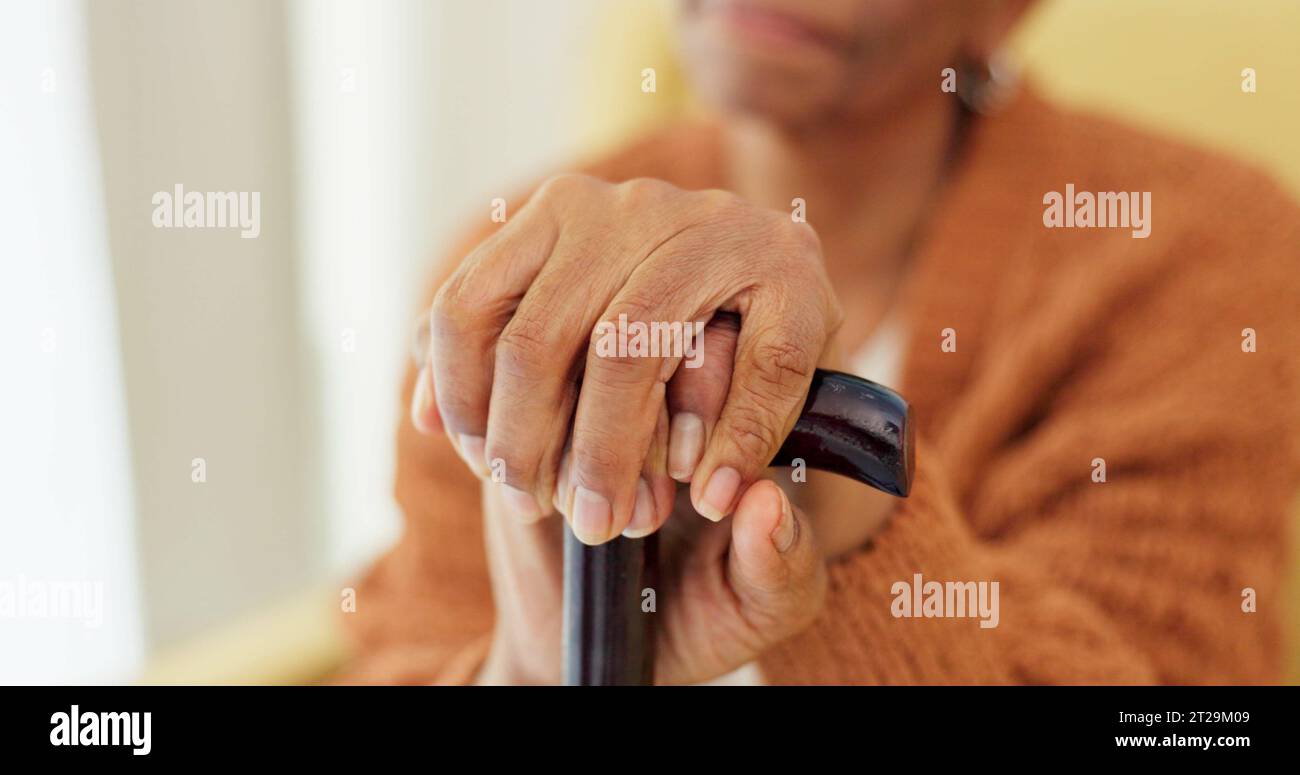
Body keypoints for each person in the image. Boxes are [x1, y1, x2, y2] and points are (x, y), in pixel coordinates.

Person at [338, 0, 1300, 684]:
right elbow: (406, 654)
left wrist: (835, 504)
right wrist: (538, 671)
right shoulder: (522, 271)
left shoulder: (1206, 247)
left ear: (1005, 11)